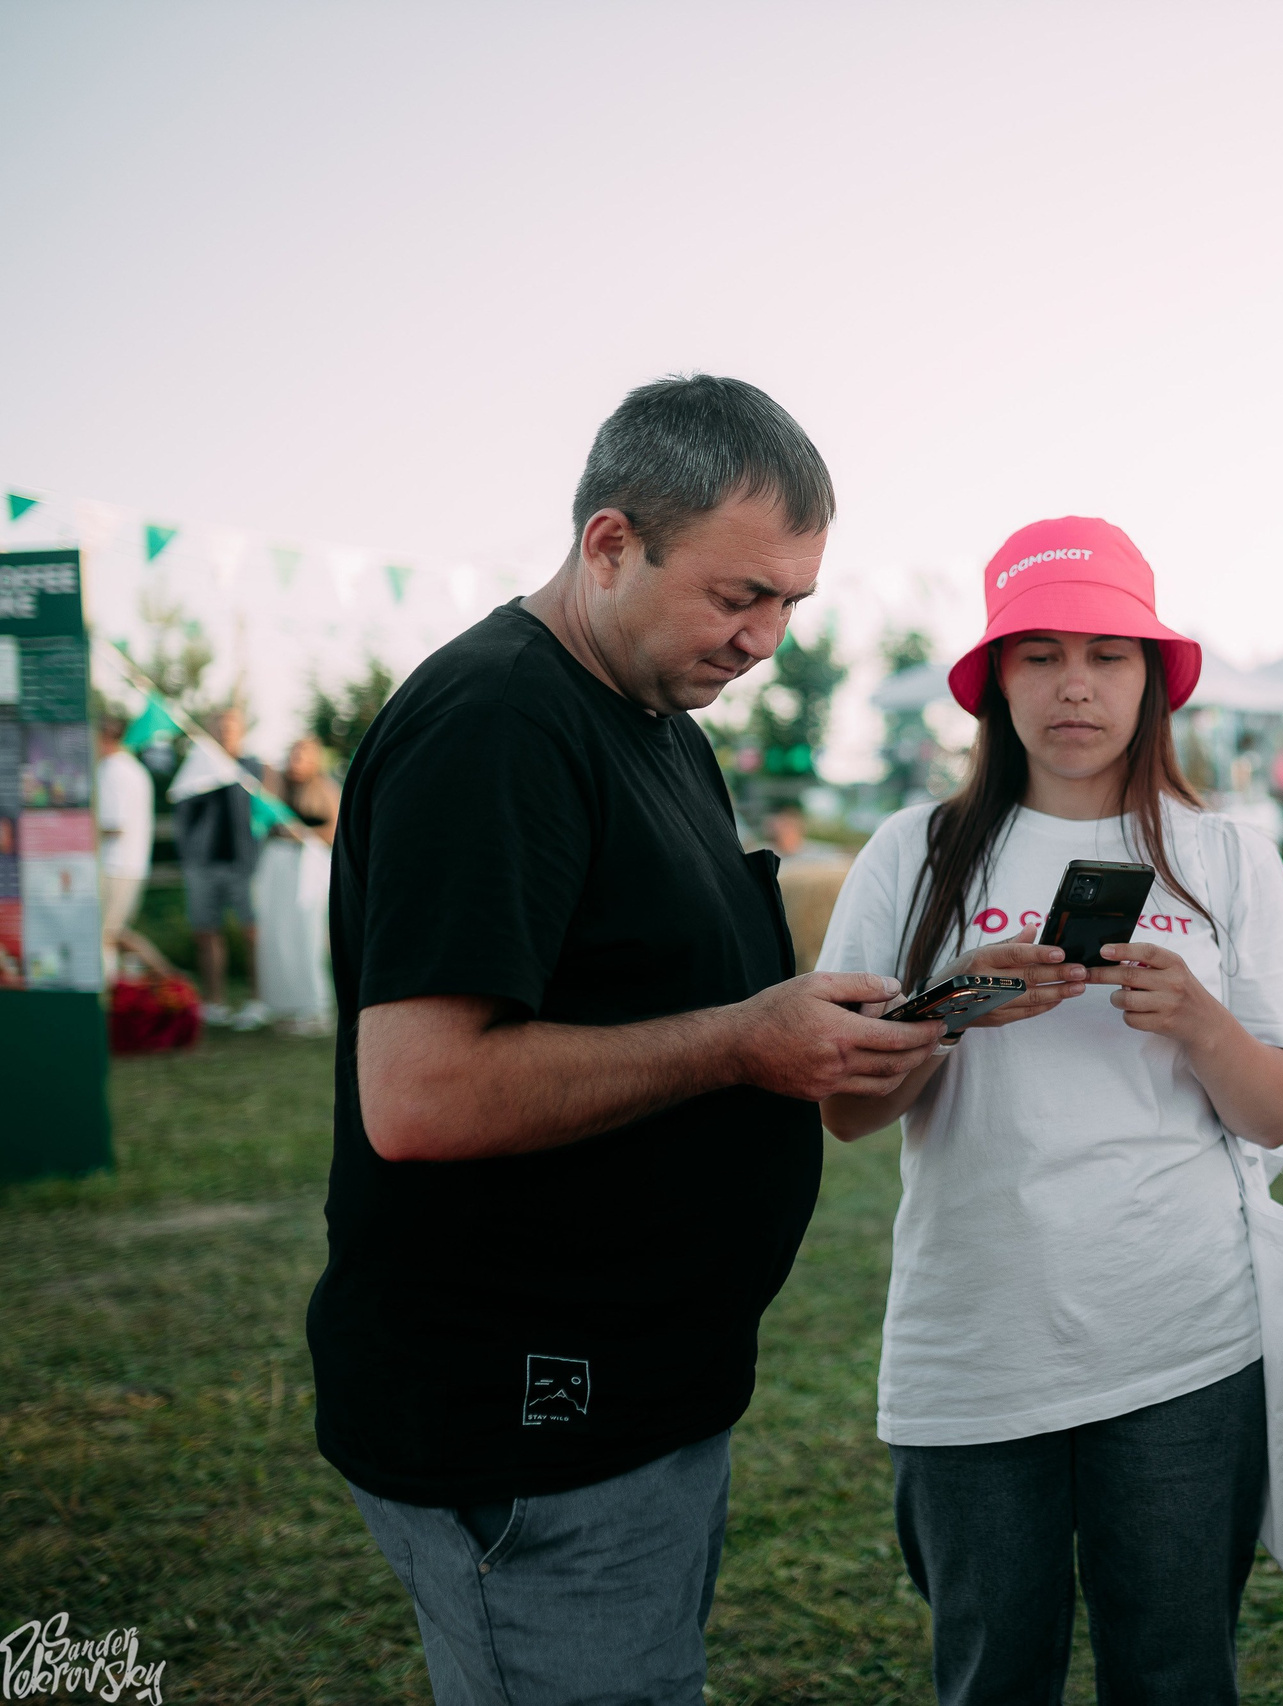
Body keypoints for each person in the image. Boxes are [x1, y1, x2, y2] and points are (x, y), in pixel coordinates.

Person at [304, 375, 946, 1706]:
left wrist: (819, 1028)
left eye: (790, 603)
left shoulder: (653, 718)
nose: (764, 639)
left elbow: (648, 981)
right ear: (609, 544)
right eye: (738, 596)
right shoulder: (495, 724)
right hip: (530, 1425)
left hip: (636, 1401)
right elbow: (420, 1093)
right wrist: (740, 1043)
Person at [815, 516, 1283, 1706]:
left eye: (1107, 653)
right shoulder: (915, 850)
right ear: (996, 679)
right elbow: (845, 1112)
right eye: (1039, 654)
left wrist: (1199, 1020)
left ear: (1152, 677)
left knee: (1176, 1672)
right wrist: (955, 1004)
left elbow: (1278, 1113)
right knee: (991, 1674)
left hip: (1182, 1334)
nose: (1074, 685)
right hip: (975, 1335)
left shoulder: (1224, 854)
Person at [168, 704, 265, 1026]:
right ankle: (215, 1002)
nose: (225, 733)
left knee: (252, 933)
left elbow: (265, 811)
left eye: (231, 728)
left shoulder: (252, 767)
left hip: (245, 864)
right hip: (203, 865)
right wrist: (189, 854)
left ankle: (257, 1000)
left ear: (241, 732)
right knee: (207, 932)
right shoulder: (196, 767)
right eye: (220, 727)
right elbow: (183, 814)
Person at [254, 736, 339, 1034]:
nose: (296, 760)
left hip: (309, 866)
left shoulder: (325, 788)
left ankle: (314, 1007)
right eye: (293, 754)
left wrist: (304, 835)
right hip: (277, 864)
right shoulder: (278, 785)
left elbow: (335, 830)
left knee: (307, 934)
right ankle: (283, 1004)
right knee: (277, 933)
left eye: (303, 755)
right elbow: (262, 811)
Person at [93, 711, 169, 977]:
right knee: (114, 932)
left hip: (115, 865)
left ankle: (169, 982)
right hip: (129, 864)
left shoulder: (111, 770)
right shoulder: (132, 768)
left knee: (105, 935)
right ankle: (170, 979)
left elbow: (113, 824)